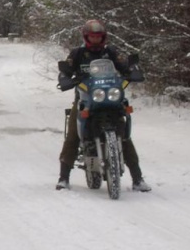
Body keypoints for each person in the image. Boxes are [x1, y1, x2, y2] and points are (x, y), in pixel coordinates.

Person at [56, 19, 151, 192]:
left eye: (98, 37)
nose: (95, 40)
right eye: (92, 37)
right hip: (86, 98)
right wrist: (65, 78)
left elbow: (124, 66)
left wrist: (133, 71)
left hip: (111, 97)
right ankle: (63, 178)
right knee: (73, 135)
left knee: (124, 135)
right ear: (86, 37)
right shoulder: (77, 53)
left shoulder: (111, 52)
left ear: (103, 37)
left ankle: (137, 179)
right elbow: (66, 69)